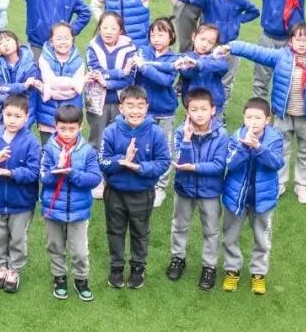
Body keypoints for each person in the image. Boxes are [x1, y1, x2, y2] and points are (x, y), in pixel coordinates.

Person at [218, 17, 306, 205]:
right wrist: (232, 46)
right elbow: (256, 52)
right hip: (284, 115)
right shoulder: (281, 56)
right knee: (281, 149)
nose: (301, 43)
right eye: (297, 39)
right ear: (290, 41)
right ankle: (280, 182)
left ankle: (302, 185)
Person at [99, 86, 170, 290]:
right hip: (115, 193)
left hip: (142, 193)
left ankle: (138, 268)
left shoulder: (156, 132)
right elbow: (102, 161)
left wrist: (140, 168)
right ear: (121, 108)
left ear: (147, 107)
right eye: (130, 105)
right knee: (115, 231)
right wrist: (123, 160)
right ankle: (116, 268)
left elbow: (164, 162)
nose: (135, 110)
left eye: (140, 106)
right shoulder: (110, 131)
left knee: (140, 232)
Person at [0, 94, 41, 294]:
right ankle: (0, 266)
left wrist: (10, 173)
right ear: (2, 113)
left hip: (21, 202)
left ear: (26, 117)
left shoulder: (32, 142)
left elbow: (34, 172)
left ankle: (14, 269)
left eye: (17, 116)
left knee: (18, 238)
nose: (12, 120)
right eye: (8, 115)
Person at [165, 88, 228, 292]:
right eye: (194, 109)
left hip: (211, 192)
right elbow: (178, 161)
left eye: (203, 109)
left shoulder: (221, 134)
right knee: (179, 225)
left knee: (211, 230)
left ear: (213, 110)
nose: (199, 114)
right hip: (184, 188)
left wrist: (194, 167)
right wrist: (186, 140)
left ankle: (209, 267)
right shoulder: (180, 131)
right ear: (187, 111)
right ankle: (178, 258)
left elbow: (219, 165)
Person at [220, 97, 285, 295]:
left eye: (258, 118)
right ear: (243, 117)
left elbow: (277, 163)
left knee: (262, 237)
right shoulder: (236, 136)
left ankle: (258, 273)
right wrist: (243, 147)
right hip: (236, 197)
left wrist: (258, 148)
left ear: (267, 120)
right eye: (249, 117)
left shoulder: (274, 138)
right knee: (230, 235)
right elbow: (230, 163)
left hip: (262, 199)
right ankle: (232, 269)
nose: (253, 122)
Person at [39, 105, 101, 302]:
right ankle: (59, 277)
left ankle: (81, 279)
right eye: (62, 128)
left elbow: (95, 178)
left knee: (80, 251)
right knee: (55, 246)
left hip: (78, 212)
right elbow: (42, 177)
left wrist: (72, 173)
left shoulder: (87, 151)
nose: (66, 133)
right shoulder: (48, 149)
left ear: (80, 127)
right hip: (53, 210)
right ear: (55, 126)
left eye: (71, 129)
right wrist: (57, 170)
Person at [189, 0, 259, 105]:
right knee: (205, 77)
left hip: (230, 46)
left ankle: (221, 108)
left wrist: (238, 20)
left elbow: (254, 11)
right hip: (210, 45)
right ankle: (199, 106)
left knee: (226, 80)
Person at [128, 18, 179, 208]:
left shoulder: (174, 59)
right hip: (142, 111)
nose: (156, 38)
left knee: (164, 148)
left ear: (171, 36)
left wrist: (144, 66)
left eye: (161, 34)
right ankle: (141, 179)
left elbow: (165, 81)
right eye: (153, 34)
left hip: (164, 112)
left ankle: (160, 187)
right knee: (141, 146)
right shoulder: (143, 51)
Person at [85, 12, 137, 157]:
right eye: (105, 27)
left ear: (120, 30)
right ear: (99, 28)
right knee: (97, 138)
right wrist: (121, 72)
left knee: (120, 138)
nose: (108, 32)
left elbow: (129, 78)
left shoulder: (130, 49)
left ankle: (117, 168)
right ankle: (95, 169)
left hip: (121, 101)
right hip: (97, 102)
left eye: (113, 28)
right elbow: (96, 72)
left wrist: (107, 83)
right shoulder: (92, 47)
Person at [37, 22, 86, 145]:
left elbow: (76, 90)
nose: (63, 42)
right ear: (51, 41)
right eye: (59, 38)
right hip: (47, 112)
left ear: (72, 39)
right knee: (48, 148)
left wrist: (49, 91)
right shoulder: (44, 58)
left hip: (70, 113)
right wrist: (73, 83)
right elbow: (50, 81)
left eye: (67, 38)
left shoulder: (79, 62)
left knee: (70, 149)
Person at [0, 30, 40, 128]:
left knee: (20, 133)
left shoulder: (29, 63)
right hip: (1, 107)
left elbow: (28, 90)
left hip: (23, 105)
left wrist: (3, 96)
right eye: (1, 43)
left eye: (8, 40)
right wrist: (22, 86)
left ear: (17, 43)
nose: (5, 44)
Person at [173, 24, 229, 112]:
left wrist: (199, 64)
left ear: (215, 45)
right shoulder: (185, 57)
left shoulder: (217, 57)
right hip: (192, 103)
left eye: (210, 42)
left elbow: (223, 66)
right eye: (202, 39)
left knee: (215, 121)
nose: (205, 44)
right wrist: (195, 65)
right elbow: (186, 73)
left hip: (214, 103)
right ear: (194, 37)